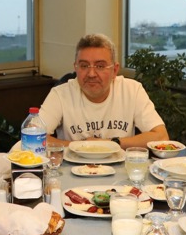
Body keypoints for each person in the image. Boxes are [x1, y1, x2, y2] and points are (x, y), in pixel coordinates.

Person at [38, 33, 168, 148]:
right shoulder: (60, 94)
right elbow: (32, 138)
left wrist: (110, 143)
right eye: (84, 66)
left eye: (100, 66)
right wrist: (81, 146)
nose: (91, 74)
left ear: (114, 70)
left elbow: (161, 137)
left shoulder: (132, 90)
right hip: (74, 166)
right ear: (76, 68)